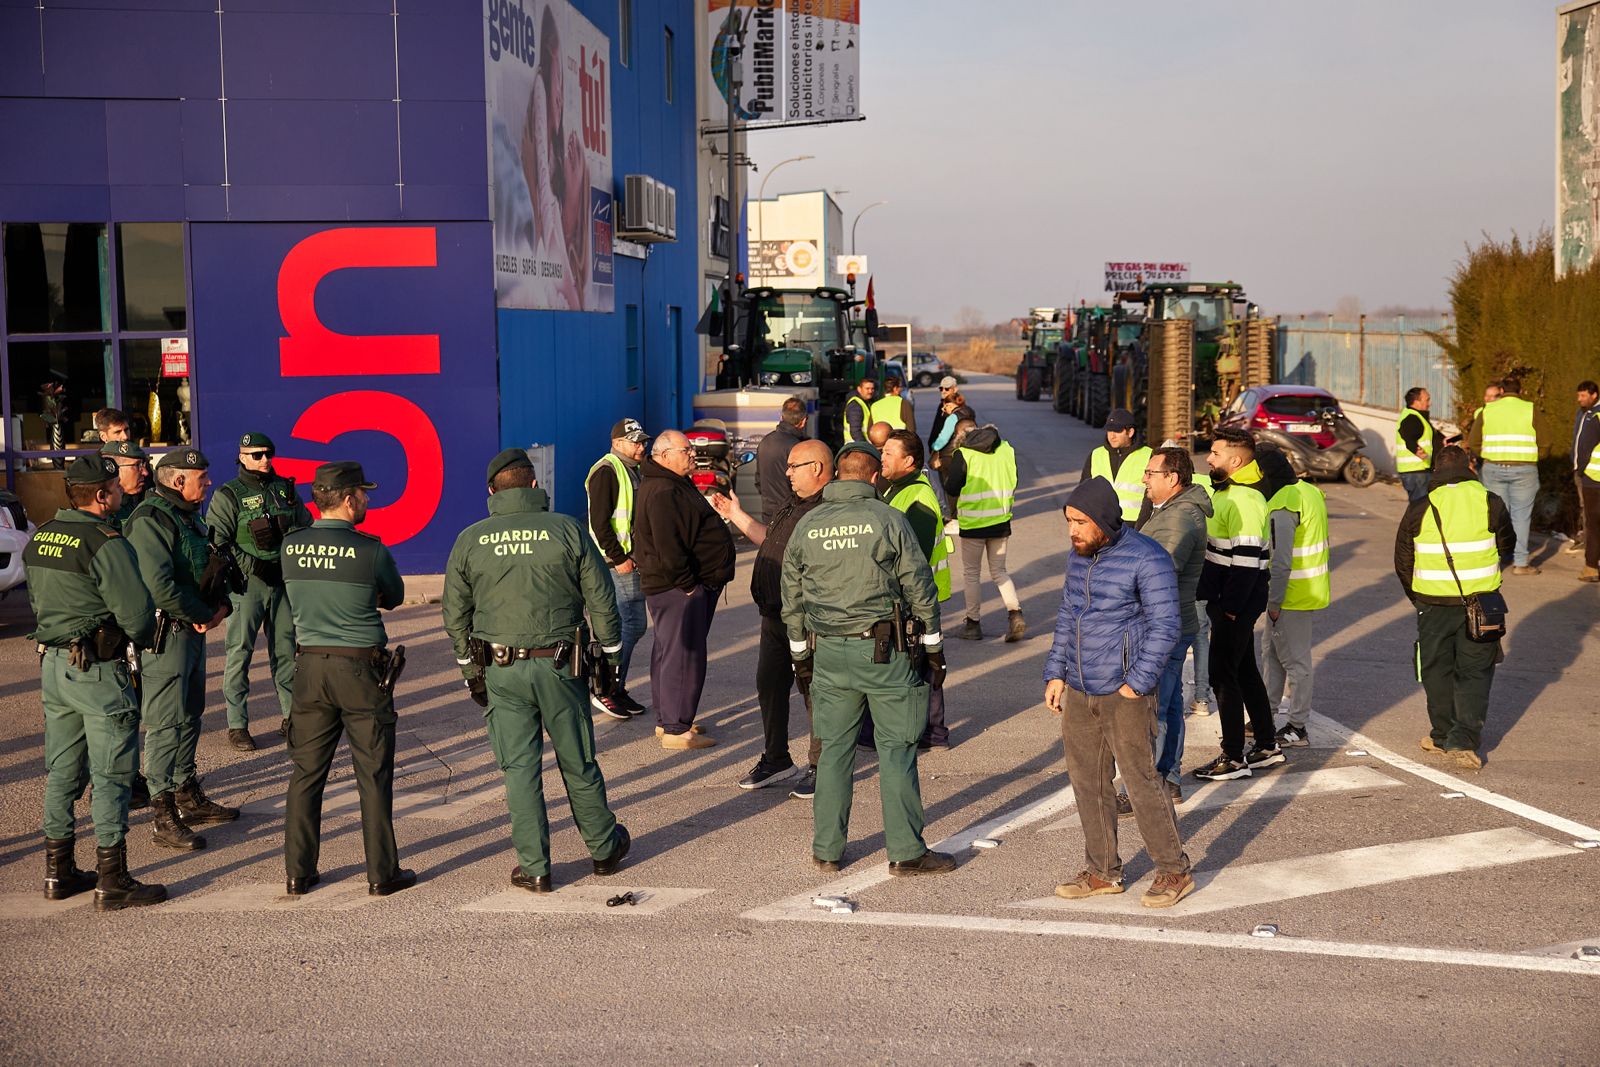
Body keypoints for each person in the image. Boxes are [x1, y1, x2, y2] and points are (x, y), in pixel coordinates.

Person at [444, 449, 632, 893]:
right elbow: (602, 601)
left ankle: (535, 867)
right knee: (578, 759)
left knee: (520, 770)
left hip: (501, 670)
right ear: (534, 485)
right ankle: (604, 850)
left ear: (492, 491)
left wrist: (471, 672)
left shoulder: (471, 539)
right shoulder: (567, 529)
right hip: (560, 665)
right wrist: (609, 660)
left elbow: (455, 615)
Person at [781, 441, 955, 875]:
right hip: (884, 653)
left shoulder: (808, 524)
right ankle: (906, 851)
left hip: (829, 655)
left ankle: (826, 849)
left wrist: (800, 657)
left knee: (835, 751)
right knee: (896, 750)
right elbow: (920, 588)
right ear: (874, 477)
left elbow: (792, 599)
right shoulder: (889, 519)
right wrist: (934, 649)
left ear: (838, 475)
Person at [1044, 477, 1193, 909]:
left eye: (1080, 522)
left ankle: (1173, 869)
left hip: (1125, 691)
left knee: (1142, 780)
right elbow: (1066, 618)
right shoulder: (1078, 557)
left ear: (1105, 521)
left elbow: (1167, 626)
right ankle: (1102, 871)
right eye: (1069, 521)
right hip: (1079, 687)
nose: (1072, 531)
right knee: (1087, 782)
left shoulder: (1148, 558)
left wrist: (1137, 683)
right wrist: (1056, 674)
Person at [24, 456, 165, 910]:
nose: (121, 493)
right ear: (102, 495)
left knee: (63, 769)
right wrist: (143, 639)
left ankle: (58, 871)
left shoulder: (42, 535)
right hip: (99, 672)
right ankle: (112, 877)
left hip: (54, 666)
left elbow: (35, 599)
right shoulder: (105, 542)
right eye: (115, 488)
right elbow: (138, 613)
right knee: (112, 773)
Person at [281, 461, 414, 896]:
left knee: (305, 774)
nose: (368, 500)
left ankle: (299, 872)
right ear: (347, 498)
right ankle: (381, 873)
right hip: (359, 670)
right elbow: (393, 596)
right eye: (363, 493)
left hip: (309, 667)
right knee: (372, 774)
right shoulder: (370, 550)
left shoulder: (291, 546)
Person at [126, 448, 238, 850]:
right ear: (178, 481)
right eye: (201, 478)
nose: (208, 484)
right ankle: (162, 813)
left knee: (190, 713)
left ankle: (186, 793)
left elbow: (200, 569)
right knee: (165, 722)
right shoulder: (151, 519)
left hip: (191, 630)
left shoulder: (187, 515)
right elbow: (161, 586)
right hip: (167, 634)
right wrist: (204, 612)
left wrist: (218, 607)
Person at [711, 438, 833, 793]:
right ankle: (777, 758)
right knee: (769, 686)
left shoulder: (826, 511)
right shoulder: (793, 504)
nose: (787, 472)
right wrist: (737, 516)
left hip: (806, 620)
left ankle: (822, 766)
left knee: (814, 692)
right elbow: (769, 539)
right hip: (774, 616)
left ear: (817, 468)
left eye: (794, 466)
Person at [1394, 446, 1515, 770]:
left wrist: (1418, 596)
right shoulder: (1490, 503)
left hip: (1432, 604)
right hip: (1482, 604)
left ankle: (1441, 734)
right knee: (1476, 671)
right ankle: (1464, 742)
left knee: (1435, 669)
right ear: (1470, 467)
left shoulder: (1421, 507)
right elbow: (1507, 545)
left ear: (1436, 470)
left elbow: (1403, 560)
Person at [207, 432, 313, 751]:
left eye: (268, 453)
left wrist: (289, 556)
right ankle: (238, 725)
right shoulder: (228, 494)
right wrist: (253, 565)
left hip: (282, 581)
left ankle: (292, 717)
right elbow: (217, 542)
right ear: (241, 457)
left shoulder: (285, 489)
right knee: (240, 653)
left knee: (285, 649)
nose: (264, 459)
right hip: (246, 585)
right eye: (256, 455)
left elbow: (304, 526)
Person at [633, 430, 736, 749]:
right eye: (685, 451)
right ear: (664, 456)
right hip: (678, 588)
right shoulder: (664, 489)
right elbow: (670, 546)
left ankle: (670, 720)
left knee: (669, 651)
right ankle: (677, 729)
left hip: (675, 587)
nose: (692, 455)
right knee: (683, 655)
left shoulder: (670, 482)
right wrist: (688, 585)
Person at [1192, 428, 1283, 782]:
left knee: (1222, 675)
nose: (1209, 458)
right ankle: (1266, 745)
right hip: (1231, 600)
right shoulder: (1230, 491)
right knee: (1244, 671)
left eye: (1214, 453)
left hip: (1235, 603)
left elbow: (1245, 561)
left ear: (1235, 460)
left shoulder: (1244, 499)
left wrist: (1229, 607)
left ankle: (1232, 757)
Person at [1133, 445, 1211, 802]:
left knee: (1157, 707)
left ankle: (1154, 785)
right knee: (1170, 703)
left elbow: (1158, 571)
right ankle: (1168, 779)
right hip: (1171, 622)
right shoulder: (1168, 511)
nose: (1144, 479)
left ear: (1173, 478)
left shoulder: (1178, 518)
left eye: (1151, 473)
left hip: (1163, 625)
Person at [879, 429, 955, 748]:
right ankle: (927, 731)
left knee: (922, 662)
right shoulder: (897, 490)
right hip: (910, 596)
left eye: (887, 453)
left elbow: (917, 558)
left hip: (917, 597)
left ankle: (932, 732)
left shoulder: (919, 497)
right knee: (917, 661)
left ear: (908, 461)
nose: (881, 457)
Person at [1257, 447, 1330, 749]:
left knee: (1296, 663)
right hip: (1303, 589)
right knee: (1271, 654)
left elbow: (1281, 560)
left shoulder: (1283, 505)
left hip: (1290, 595)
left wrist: (1274, 603)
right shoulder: (1308, 491)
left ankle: (1297, 726)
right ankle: (1266, 713)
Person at [584, 419, 651, 718]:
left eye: (642, 441)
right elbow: (600, 523)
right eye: (635, 441)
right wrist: (618, 557)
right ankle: (604, 688)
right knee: (629, 625)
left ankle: (615, 686)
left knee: (631, 625)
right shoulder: (607, 471)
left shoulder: (632, 469)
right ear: (617, 442)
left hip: (631, 560)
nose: (641, 446)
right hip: (617, 562)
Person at [941, 419, 1024, 642]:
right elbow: (1014, 478)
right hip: (1000, 520)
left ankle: (973, 624)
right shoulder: (1006, 449)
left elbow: (951, 487)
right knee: (999, 571)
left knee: (972, 574)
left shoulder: (964, 454)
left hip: (974, 524)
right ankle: (1015, 613)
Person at [1475, 376, 1540, 574]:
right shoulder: (1530, 409)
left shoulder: (1488, 410)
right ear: (1520, 391)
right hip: (1524, 469)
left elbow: (1474, 440)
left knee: (1496, 515)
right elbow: (1546, 440)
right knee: (1521, 516)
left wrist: (1487, 456)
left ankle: (1494, 562)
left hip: (1493, 467)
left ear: (1501, 391)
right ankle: (1520, 563)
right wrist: (1531, 458)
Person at [1082, 409, 1152, 521]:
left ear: (1130, 432)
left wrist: (1142, 524)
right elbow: (1084, 492)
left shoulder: (1149, 455)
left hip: (1135, 525)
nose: (1112, 436)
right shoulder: (1096, 455)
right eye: (1109, 430)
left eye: (1117, 431)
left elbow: (1153, 495)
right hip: (1102, 523)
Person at [756, 397, 809, 523]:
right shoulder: (798, 447)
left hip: (769, 513)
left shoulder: (765, 441)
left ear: (781, 417)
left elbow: (758, 481)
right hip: (793, 514)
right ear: (803, 421)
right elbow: (804, 485)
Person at [1567, 380, 1599, 569]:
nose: (1579, 399)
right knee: (1586, 512)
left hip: (1591, 475)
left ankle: (1591, 557)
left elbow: (1587, 445)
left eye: (1583, 395)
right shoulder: (1583, 413)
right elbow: (1578, 442)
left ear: (1594, 395)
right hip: (1584, 471)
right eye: (1578, 395)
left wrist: (1582, 468)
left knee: (1592, 517)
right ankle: (1588, 546)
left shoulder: (1595, 415)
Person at [1396, 387, 1437, 504]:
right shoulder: (1412, 418)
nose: (1429, 403)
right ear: (1416, 402)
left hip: (1416, 471)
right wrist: (1416, 450)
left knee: (1419, 508)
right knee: (1420, 509)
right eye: (1427, 400)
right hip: (1416, 471)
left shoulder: (1415, 416)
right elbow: (1407, 435)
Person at [100, 440, 149, 529]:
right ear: (115, 469)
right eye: (137, 465)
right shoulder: (100, 510)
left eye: (144, 464)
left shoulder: (146, 497)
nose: (145, 472)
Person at [928, 381, 975, 465]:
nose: (944, 410)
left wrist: (934, 447)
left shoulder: (953, 417)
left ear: (950, 405)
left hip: (950, 455)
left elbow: (943, 438)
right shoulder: (969, 412)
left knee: (948, 478)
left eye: (945, 407)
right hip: (967, 452)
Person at [843, 378, 876, 444]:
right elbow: (855, 431)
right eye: (867, 388)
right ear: (859, 389)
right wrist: (865, 446)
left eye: (872, 389)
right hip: (856, 446)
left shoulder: (867, 402)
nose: (870, 391)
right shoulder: (855, 405)